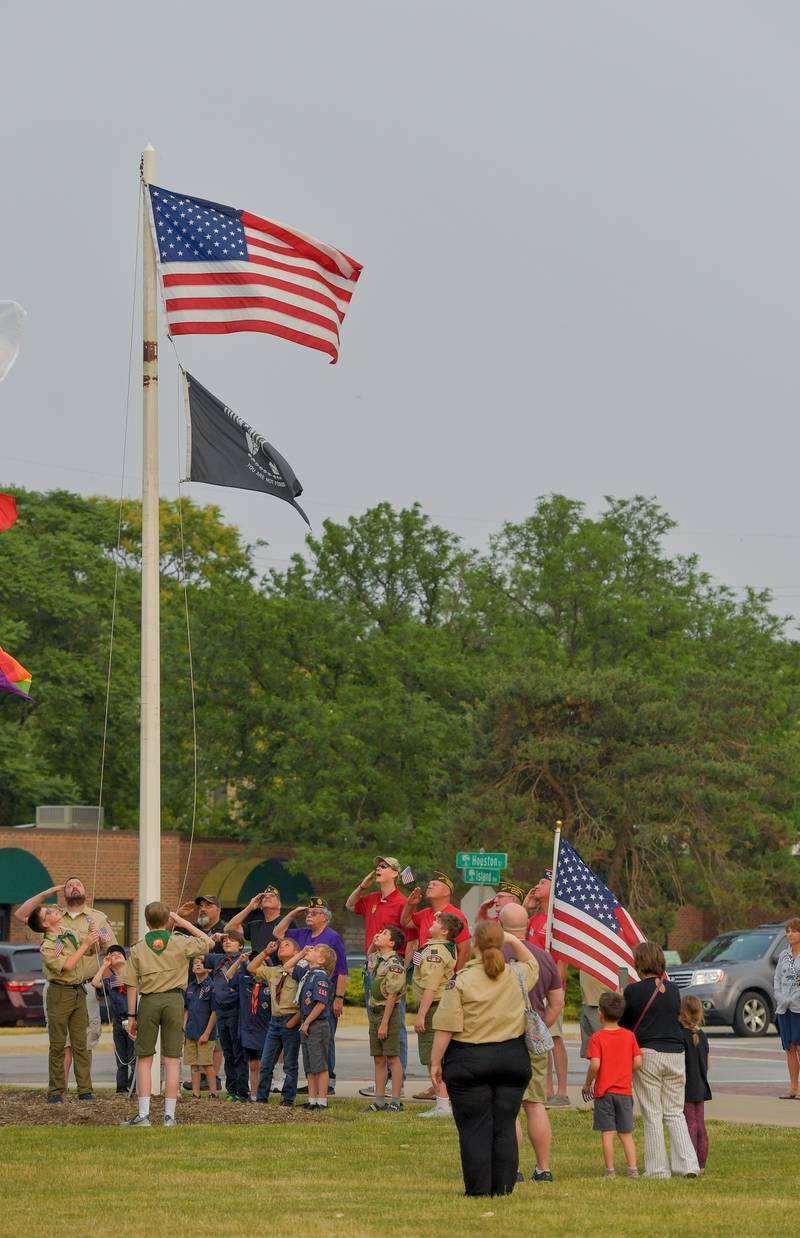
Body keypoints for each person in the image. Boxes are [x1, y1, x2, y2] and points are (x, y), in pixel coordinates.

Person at [431, 922, 537, 1197]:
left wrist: (435, 1062)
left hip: (470, 1059)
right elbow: (532, 961)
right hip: (512, 1058)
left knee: (474, 1127)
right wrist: (512, 939)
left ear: (475, 944)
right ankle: (502, 1188)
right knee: (504, 1124)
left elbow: (446, 1025)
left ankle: (478, 1189)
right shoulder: (517, 975)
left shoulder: (462, 980)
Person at [121, 902, 211, 1127]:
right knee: (172, 1060)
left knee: (144, 1059)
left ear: (146, 921)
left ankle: (143, 1114)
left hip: (149, 1001)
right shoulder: (180, 941)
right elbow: (208, 942)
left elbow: (131, 985)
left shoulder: (139, 948)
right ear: (167, 919)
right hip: (174, 1001)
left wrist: (131, 1016)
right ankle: (169, 1116)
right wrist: (181, 921)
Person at [17, 877, 115, 1078]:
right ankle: (59, 1090)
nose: (74, 886)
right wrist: (46, 893)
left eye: (78, 883)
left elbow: (112, 953)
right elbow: (21, 914)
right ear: (64, 893)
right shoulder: (52, 916)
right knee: (62, 1042)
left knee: (84, 1040)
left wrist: (99, 983)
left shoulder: (97, 918)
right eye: (69, 885)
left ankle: (84, 1091)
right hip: (57, 987)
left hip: (86, 987)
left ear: (85, 890)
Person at [620, 941, 699, 1178]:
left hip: (649, 1053)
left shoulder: (632, 991)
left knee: (652, 1113)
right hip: (676, 1053)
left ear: (639, 963)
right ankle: (688, 1165)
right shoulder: (673, 989)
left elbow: (625, 1026)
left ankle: (657, 1169)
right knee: (675, 1112)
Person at [499, 903, 564, 1182]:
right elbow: (557, 1002)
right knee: (535, 1103)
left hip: (500, 1038)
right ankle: (543, 1167)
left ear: (500, 925)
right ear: (527, 924)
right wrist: (540, 1027)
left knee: (509, 1106)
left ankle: (512, 1169)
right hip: (532, 1040)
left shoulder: (491, 954)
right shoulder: (543, 957)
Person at [273, 897, 348, 1094]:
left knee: (325, 1036)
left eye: (314, 913)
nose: (309, 916)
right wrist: (292, 914)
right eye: (308, 912)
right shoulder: (302, 933)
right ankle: (313, 1082)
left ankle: (328, 1079)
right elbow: (278, 932)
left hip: (324, 993)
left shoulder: (332, 937)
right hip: (304, 989)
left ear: (325, 917)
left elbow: (342, 969)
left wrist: (339, 998)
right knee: (308, 1039)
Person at [28, 902, 101, 1103]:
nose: (53, 911)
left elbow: (87, 952)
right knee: (58, 1044)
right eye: (48, 912)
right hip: (59, 994)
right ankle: (56, 1091)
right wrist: (85, 943)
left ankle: (85, 1090)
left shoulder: (67, 932)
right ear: (44, 924)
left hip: (78, 992)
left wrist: (94, 938)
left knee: (81, 1043)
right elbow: (67, 965)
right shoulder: (48, 946)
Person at [346, 857, 408, 1081]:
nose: (378, 869)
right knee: (375, 1020)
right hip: (371, 966)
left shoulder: (403, 901)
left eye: (384, 867)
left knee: (395, 1024)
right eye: (377, 866)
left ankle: (396, 1081)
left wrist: (405, 969)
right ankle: (383, 1080)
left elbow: (410, 939)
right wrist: (362, 885)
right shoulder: (371, 898)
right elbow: (350, 905)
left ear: (395, 873)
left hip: (391, 968)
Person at [583, 991, 642, 1178]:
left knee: (607, 1133)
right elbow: (638, 1062)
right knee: (626, 1133)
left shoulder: (597, 1038)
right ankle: (633, 1169)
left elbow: (595, 1064)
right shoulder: (629, 1036)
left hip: (604, 1093)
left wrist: (587, 1084)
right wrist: (625, 1069)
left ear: (600, 1013)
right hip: (625, 1092)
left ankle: (610, 1170)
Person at [523, 868, 569, 1106]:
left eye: (543, 882)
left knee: (555, 1037)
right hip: (532, 987)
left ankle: (561, 1090)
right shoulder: (534, 919)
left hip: (550, 989)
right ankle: (547, 1087)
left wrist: (556, 991)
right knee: (541, 1036)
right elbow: (516, 936)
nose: (537, 885)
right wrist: (526, 905)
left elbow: (561, 961)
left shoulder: (558, 921)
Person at [412, 911, 460, 1118]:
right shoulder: (436, 946)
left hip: (433, 1007)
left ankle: (442, 1105)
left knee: (434, 1057)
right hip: (438, 1005)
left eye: (436, 922)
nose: (431, 923)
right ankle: (443, 1102)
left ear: (444, 931)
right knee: (435, 1057)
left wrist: (421, 1015)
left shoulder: (436, 952)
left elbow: (431, 986)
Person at [177, 893, 226, 1088]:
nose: (203, 909)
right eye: (201, 906)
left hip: (216, 989)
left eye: (208, 905)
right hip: (192, 987)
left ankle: (212, 1078)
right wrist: (179, 916)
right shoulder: (192, 930)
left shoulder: (225, 931)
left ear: (218, 910)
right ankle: (201, 1078)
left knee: (214, 1036)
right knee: (194, 1032)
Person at [249, 937, 304, 1106]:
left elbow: (304, 999)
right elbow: (251, 968)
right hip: (274, 1021)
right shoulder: (273, 971)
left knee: (289, 1063)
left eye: (287, 945)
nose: (281, 947)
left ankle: (287, 1099)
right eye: (281, 945)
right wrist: (266, 952)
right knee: (266, 1063)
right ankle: (262, 1097)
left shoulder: (300, 970)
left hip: (291, 1019)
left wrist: (295, 1020)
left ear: (296, 952)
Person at [366, 925, 408, 1113]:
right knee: (378, 1058)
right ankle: (379, 1100)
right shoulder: (377, 958)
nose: (378, 934)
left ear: (392, 943)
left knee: (392, 1057)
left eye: (383, 934)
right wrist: (375, 939)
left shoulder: (394, 964)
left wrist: (384, 1023)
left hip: (387, 1013)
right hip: (374, 1011)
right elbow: (370, 952)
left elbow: (392, 994)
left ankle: (396, 1101)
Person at [205, 928, 250, 1101]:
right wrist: (213, 938)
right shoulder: (218, 959)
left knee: (238, 1051)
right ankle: (231, 1090)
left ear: (240, 944)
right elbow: (199, 952)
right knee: (228, 1052)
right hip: (221, 1009)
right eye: (225, 941)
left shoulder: (245, 959)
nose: (227, 942)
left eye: (231, 940)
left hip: (236, 1009)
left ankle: (242, 1091)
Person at [226, 949, 272, 1099]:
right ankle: (253, 1094)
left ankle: (262, 1093)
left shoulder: (271, 985)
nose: (257, 967)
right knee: (252, 1065)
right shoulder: (245, 981)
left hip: (265, 1028)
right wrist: (239, 961)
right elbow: (229, 977)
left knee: (264, 1065)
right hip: (248, 1029)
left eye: (261, 964)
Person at [297, 943, 337, 1109]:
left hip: (316, 1024)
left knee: (319, 1064)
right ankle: (312, 1100)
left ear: (321, 960)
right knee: (310, 1065)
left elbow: (320, 1005)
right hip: (307, 1023)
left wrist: (306, 1022)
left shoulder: (320, 978)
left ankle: (322, 1101)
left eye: (314, 950)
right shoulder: (309, 974)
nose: (309, 949)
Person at [91, 943, 135, 1094]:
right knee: (121, 1058)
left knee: (134, 1056)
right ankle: (121, 1088)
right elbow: (95, 983)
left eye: (119, 954)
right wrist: (104, 966)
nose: (116, 956)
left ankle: (133, 1087)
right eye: (112, 955)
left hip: (134, 1020)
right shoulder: (111, 981)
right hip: (118, 1021)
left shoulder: (133, 975)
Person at [680, 995, 711, 1171]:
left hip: (687, 1086)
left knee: (689, 1124)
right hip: (701, 1084)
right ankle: (702, 1163)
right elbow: (708, 1063)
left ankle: (690, 1161)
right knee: (700, 1123)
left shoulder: (680, 1036)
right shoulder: (702, 1035)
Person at [773, 916, 800, 1100]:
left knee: (799, 1047)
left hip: (798, 1007)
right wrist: (780, 997)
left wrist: (793, 998)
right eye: (788, 931)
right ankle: (793, 1087)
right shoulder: (784, 955)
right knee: (789, 1048)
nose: (790, 934)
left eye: (794, 931)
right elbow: (776, 979)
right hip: (784, 1008)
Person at [183, 956, 217, 1099]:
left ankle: (213, 1093)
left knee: (206, 1064)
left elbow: (215, 1011)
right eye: (195, 963)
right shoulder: (190, 987)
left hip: (205, 1033)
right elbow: (186, 1008)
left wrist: (207, 1033)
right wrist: (184, 1026)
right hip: (191, 1032)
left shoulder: (211, 987)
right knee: (194, 1064)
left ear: (209, 968)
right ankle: (195, 1093)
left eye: (201, 963)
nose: (198, 965)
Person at [223, 885, 287, 954]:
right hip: (256, 964)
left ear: (279, 904)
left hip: (279, 964)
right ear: (261, 906)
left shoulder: (287, 921)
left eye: (272, 896)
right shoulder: (254, 925)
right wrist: (250, 907)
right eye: (264, 897)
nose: (267, 897)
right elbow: (228, 929)